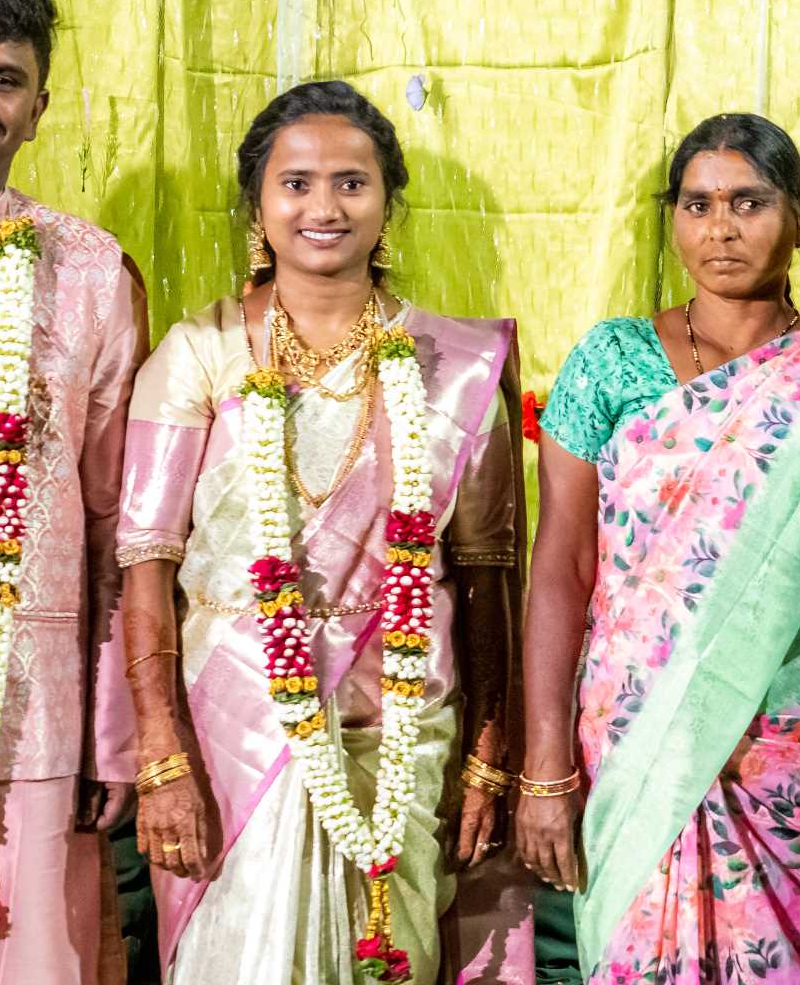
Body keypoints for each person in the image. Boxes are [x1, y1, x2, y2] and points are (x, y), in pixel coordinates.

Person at [116, 80, 523, 984]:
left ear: (388, 203)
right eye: (296, 184)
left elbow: (488, 573)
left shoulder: (455, 369)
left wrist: (490, 758)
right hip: (232, 732)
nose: (324, 207)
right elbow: (145, 562)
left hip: (405, 730)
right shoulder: (201, 352)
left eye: (352, 183)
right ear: (257, 205)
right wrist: (160, 755)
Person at [515, 113, 800, 984]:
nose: (721, 228)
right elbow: (561, 567)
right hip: (638, 726)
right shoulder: (611, 363)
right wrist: (543, 766)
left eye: (749, 203)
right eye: (698, 205)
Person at [0, 0, 146, 985]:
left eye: (3, 79)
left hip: (31, 709)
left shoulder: (92, 269)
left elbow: (116, 516)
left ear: (38, 110)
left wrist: (115, 729)